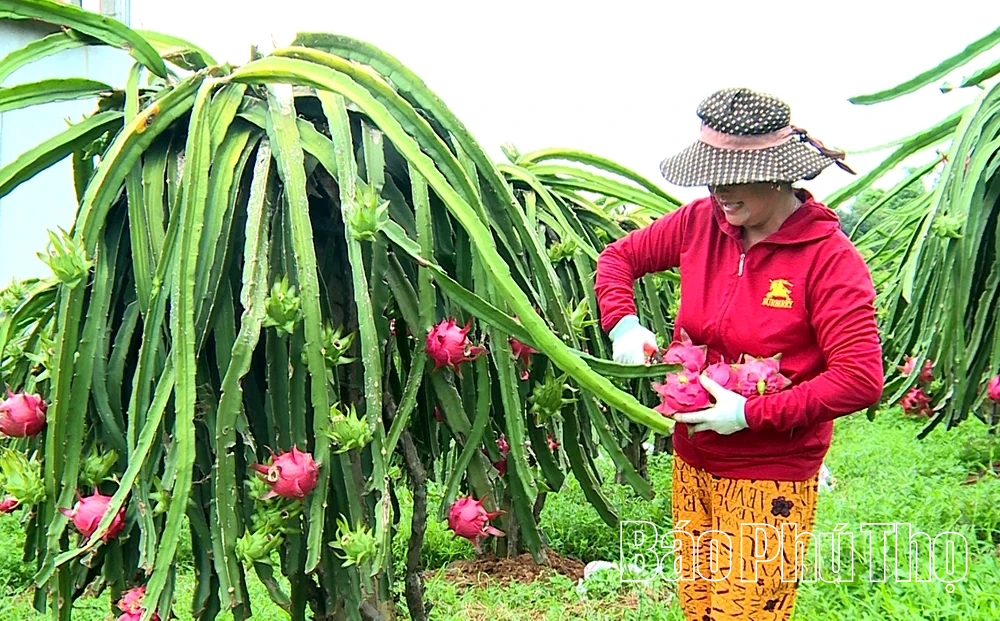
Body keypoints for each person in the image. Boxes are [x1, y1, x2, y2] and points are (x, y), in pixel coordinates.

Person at [594, 87, 884, 620]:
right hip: (692, 459)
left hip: (770, 471)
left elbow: (859, 377)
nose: (718, 191)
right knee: (700, 608)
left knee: (746, 614)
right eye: (711, 173)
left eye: (732, 176)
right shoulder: (701, 222)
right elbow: (619, 257)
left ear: (777, 171)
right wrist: (623, 325)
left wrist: (749, 414)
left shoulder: (830, 262)